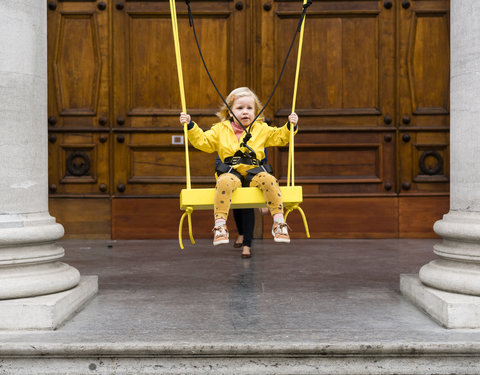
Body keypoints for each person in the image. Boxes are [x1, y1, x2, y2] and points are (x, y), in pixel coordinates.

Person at [179, 87, 298, 248]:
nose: (245, 112)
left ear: (256, 112)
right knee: (224, 182)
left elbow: (279, 137)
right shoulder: (220, 130)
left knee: (270, 180)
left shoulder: (261, 129)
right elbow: (203, 142)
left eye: (250, 108)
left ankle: (279, 222)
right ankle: (220, 225)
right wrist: (191, 126)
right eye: (240, 108)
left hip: (254, 173)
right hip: (231, 172)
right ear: (229, 112)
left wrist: (290, 127)